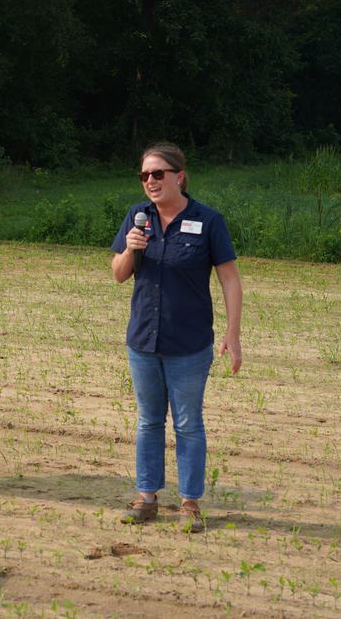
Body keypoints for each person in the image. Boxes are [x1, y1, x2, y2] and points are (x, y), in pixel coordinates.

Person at [110, 141, 242, 532]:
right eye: (144, 175)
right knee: (148, 421)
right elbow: (118, 273)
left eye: (158, 174)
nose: (150, 181)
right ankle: (146, 498)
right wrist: (130, 251)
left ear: (179, 177)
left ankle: (189, 504)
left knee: (187, 424)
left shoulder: (208, 221)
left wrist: (233, 335)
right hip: (144, 342)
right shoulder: (138, 217)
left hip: (189, 344)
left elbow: (230, 279)